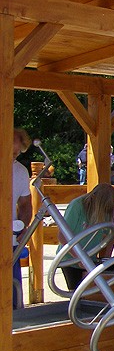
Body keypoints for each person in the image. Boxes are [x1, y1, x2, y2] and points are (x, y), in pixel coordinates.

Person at [57, 183, 114, 291]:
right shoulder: (77, 205)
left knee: (92, 292)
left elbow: (110, 236)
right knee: (77, 291)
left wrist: (106, 259)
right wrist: (80, 259)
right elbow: (62, 236)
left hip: (90, 258)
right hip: (70, 258)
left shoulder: (106, 209)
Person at [12, 128, 33, 309]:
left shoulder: (20, 171)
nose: (13, 156)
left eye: (16, 153)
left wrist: (23, 226)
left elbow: (25, 204)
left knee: (13, 291)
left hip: (10, 240)